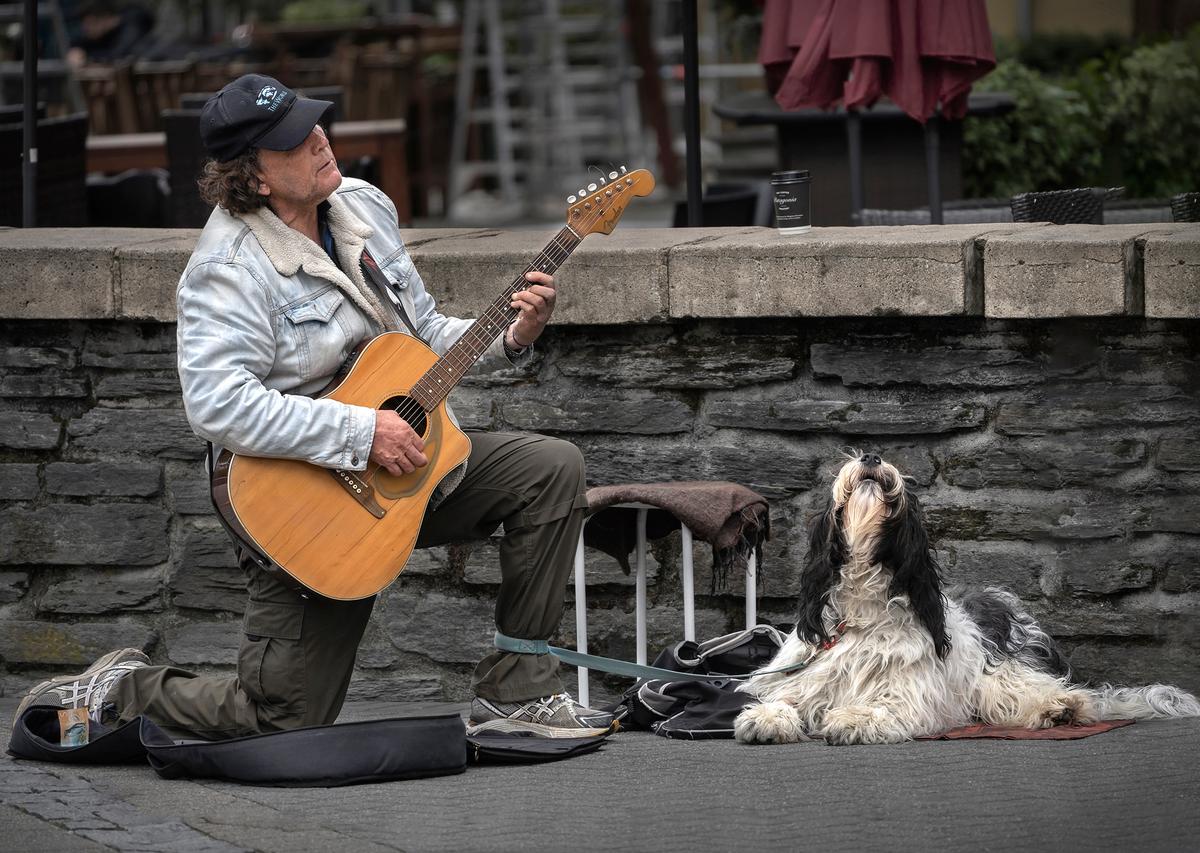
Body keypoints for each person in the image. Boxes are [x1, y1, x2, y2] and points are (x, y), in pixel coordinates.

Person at [17, 75, 613, 740]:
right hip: (302, 500)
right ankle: (127, 691)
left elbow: (420, 338)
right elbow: (217, 405)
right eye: (294, 141)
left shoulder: (361, 208)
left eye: (314, 123)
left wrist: (511, 335)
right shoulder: (229, 266)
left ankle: (517, 693)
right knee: (284, 718)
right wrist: (362, 433)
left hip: (403, 466)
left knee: (551, 468)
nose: (320, 141)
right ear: (256, 177)